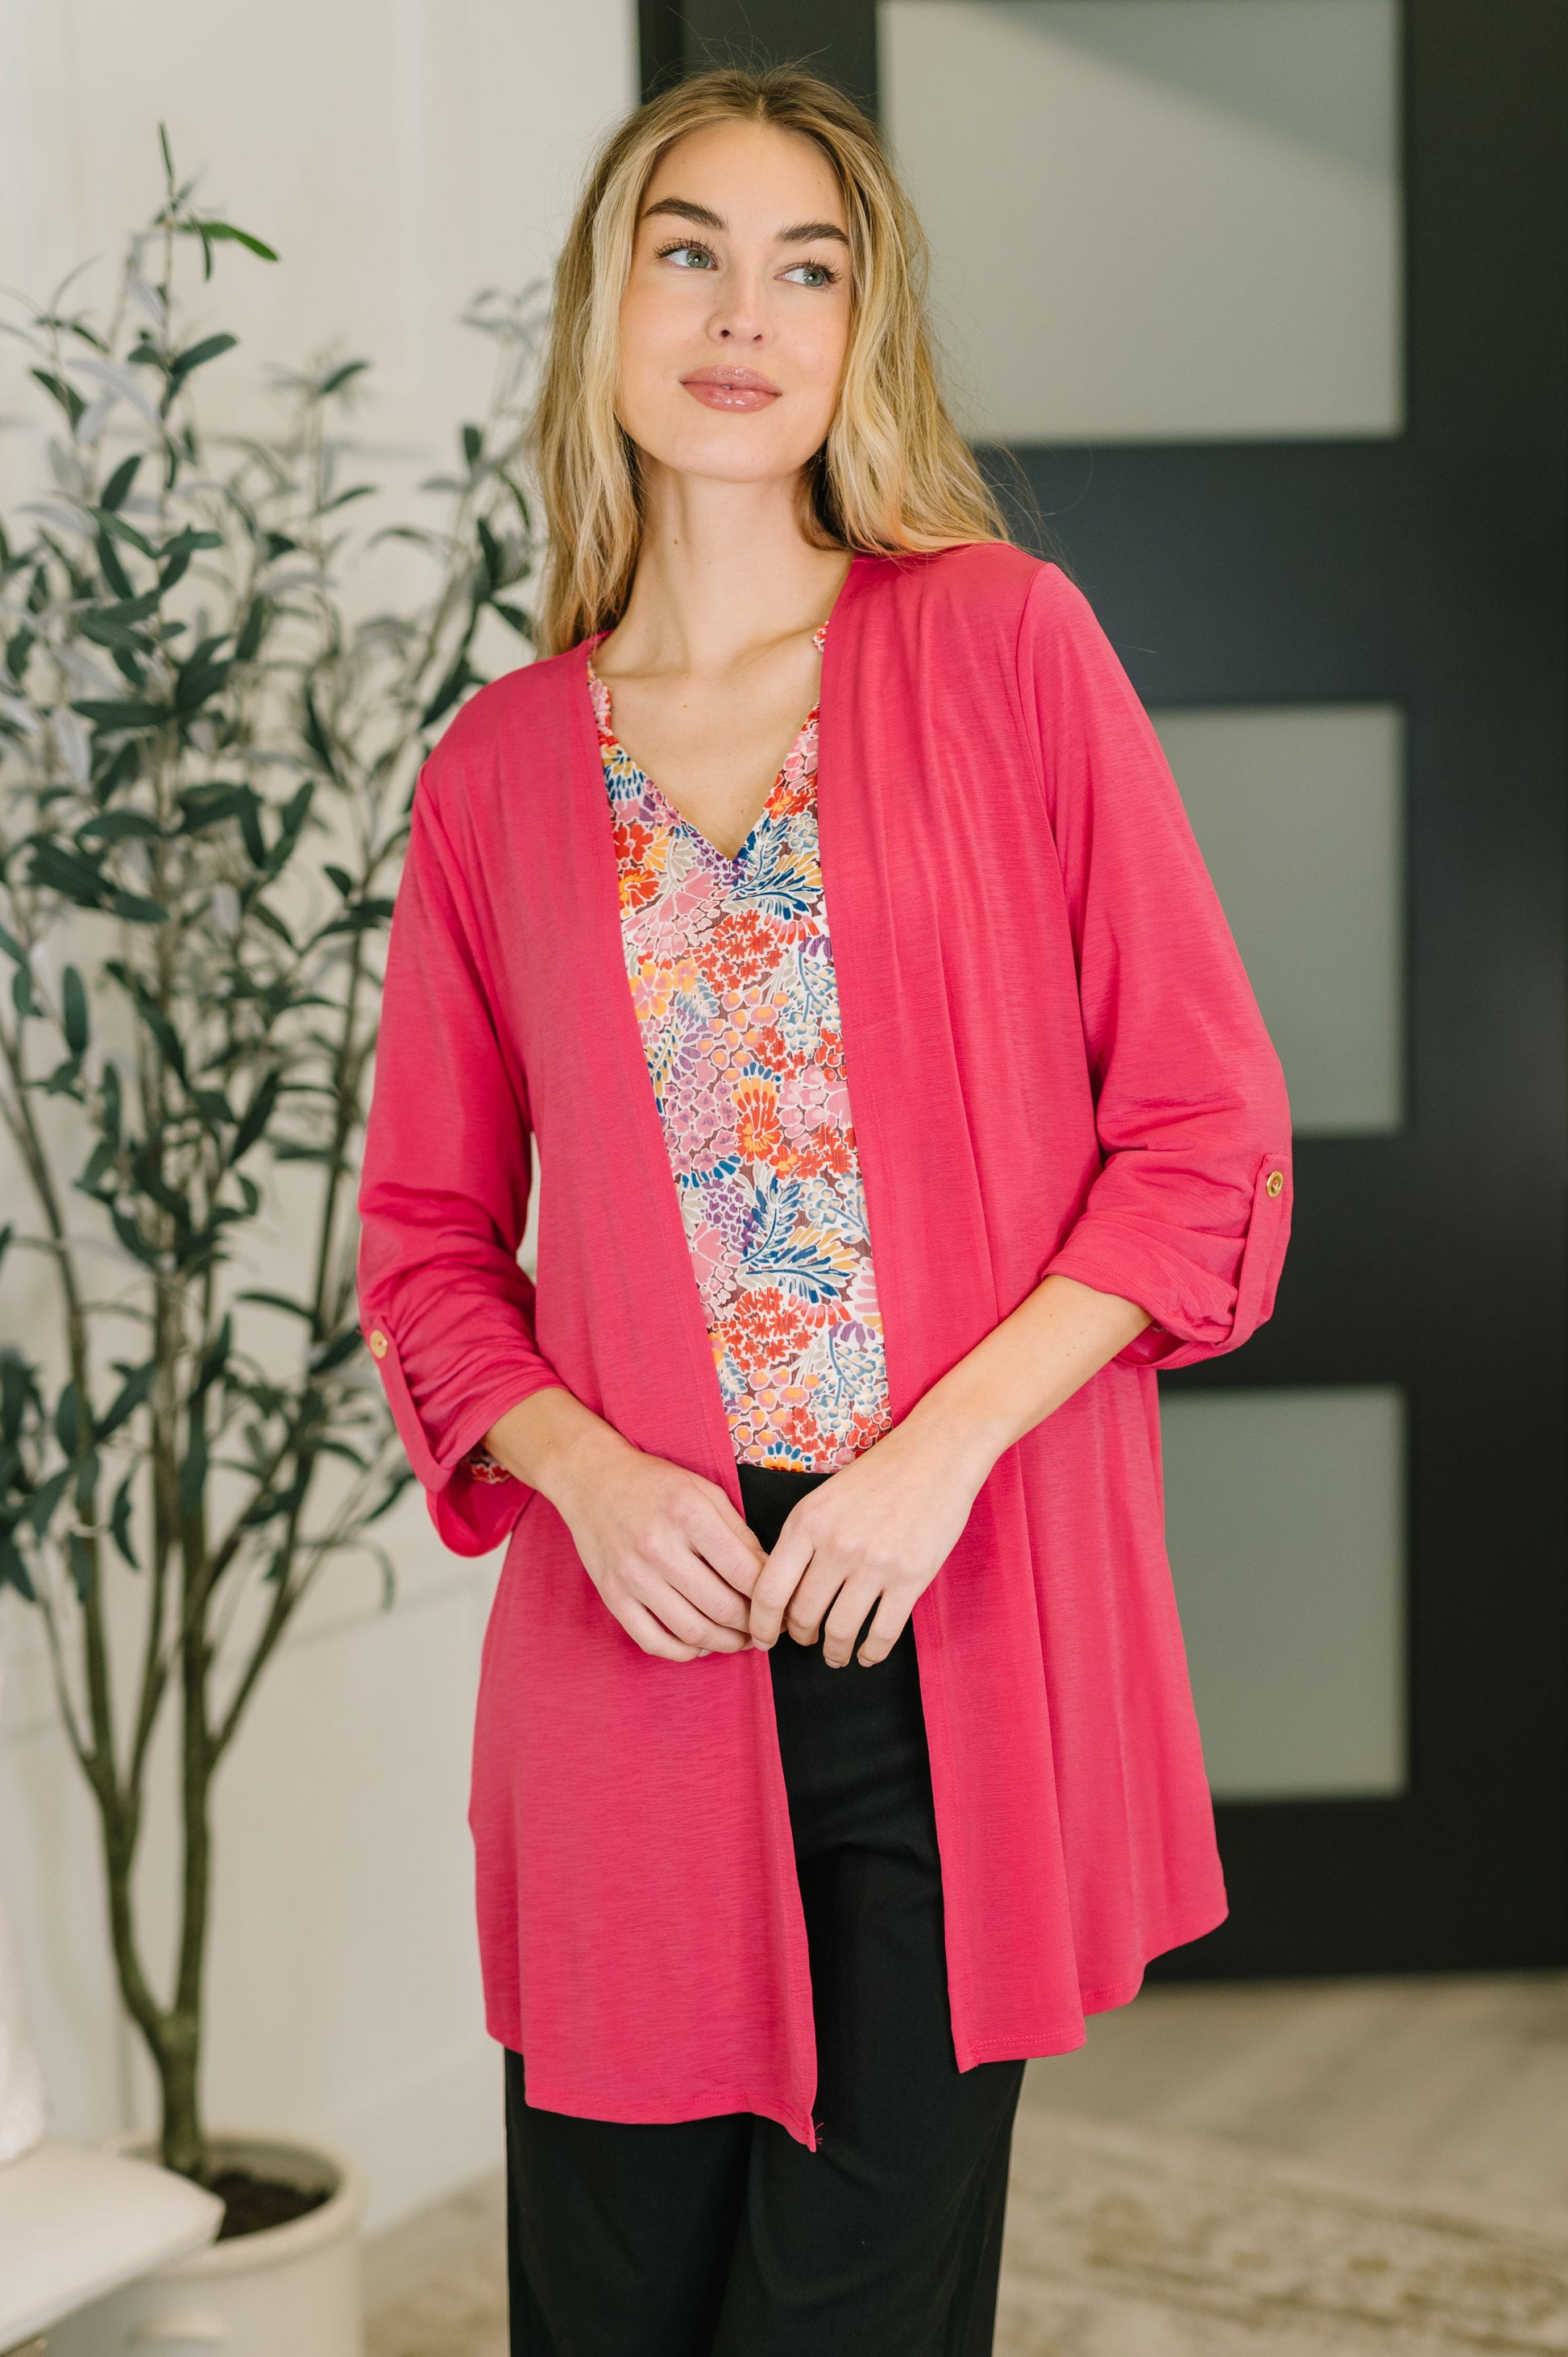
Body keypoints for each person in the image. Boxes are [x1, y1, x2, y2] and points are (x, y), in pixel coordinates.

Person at [355, 62, 1292, 2357]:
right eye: (690, 249)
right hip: (631, 1655)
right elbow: (426, 1243)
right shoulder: (492, 772)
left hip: (939, 1623)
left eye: (809, 265)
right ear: (607, 307)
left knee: (850, 2316)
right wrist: (576, 1467)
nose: (742, 312)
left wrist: (935, 1456)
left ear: (862, 332)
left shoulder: (999, 647)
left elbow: (1200, 1132)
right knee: (610, 2310)